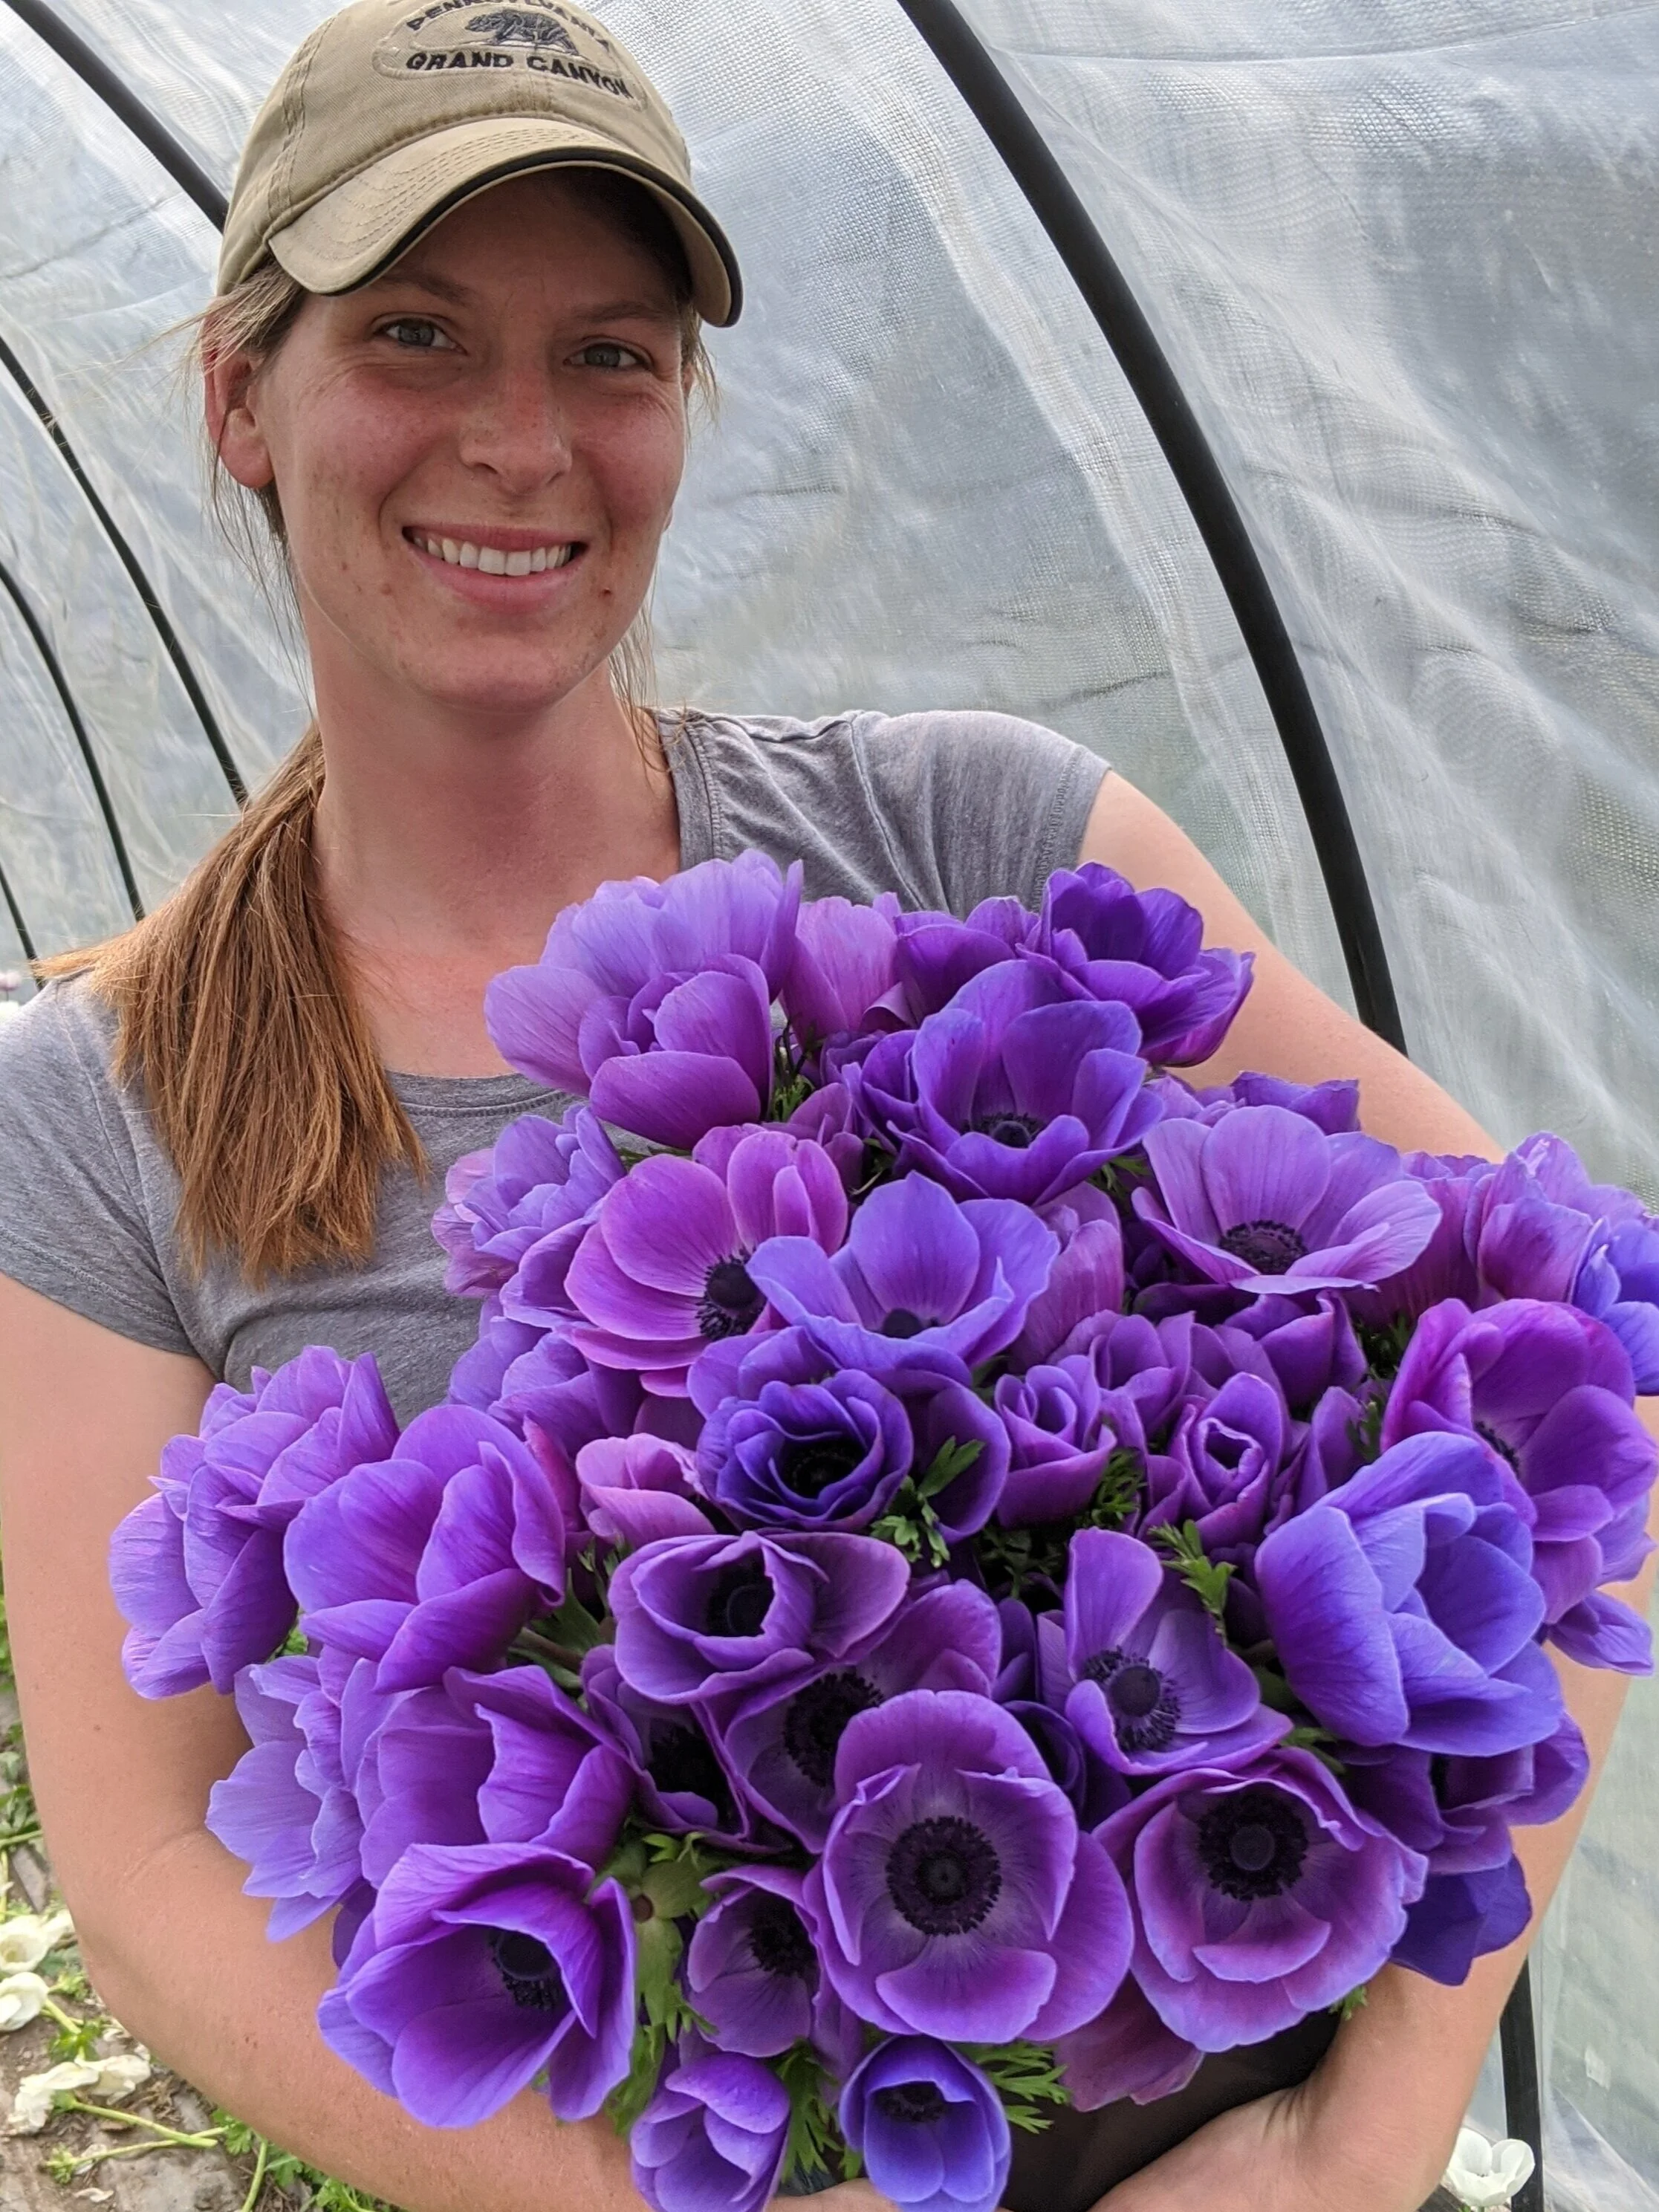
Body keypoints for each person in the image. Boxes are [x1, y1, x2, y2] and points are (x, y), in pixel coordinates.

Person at [0, 5, 1650, 2211]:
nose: (521, 441)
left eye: (611, 355)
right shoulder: (97, 1108)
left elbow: (1584, 1387)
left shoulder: (972, 835)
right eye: (414, 333)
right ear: (239, 396)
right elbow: (151, 1874)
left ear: (684, 407)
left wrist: (1349, 2155)